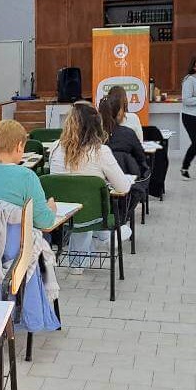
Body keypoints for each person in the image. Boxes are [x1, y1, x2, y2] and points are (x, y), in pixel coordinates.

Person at [48, 104, 132, 270]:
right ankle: (104, 238)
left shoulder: (55, 147)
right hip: (93, 215)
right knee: (89, 209)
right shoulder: (102, 151)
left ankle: (97, 243)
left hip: (61, 215)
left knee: (81, 205)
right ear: (96, 125)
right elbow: (123, 187)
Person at [0, 119, 57, 230]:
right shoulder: (27, 177)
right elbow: (44, 222)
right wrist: (52, 208)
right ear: (19, 146)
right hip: (15, 244)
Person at [99, 96, 150, 185]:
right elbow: (141, 157)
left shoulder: (91, 135)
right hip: (127, 183)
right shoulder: (128, 133)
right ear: (119, 114)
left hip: (99, 183)